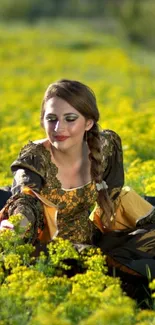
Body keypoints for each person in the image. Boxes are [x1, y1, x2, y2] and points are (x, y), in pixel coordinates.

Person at [0, 79, 155, 282]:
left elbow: (114, 192)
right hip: (47, 247)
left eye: (70, 119)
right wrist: (16, 226)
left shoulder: (104, 147)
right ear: (42, 121)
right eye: (51, 119)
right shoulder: (34, 159)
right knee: (89, 264)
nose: (58, 128)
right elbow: (25, 203)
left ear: (88, 122)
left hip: (91, 237)